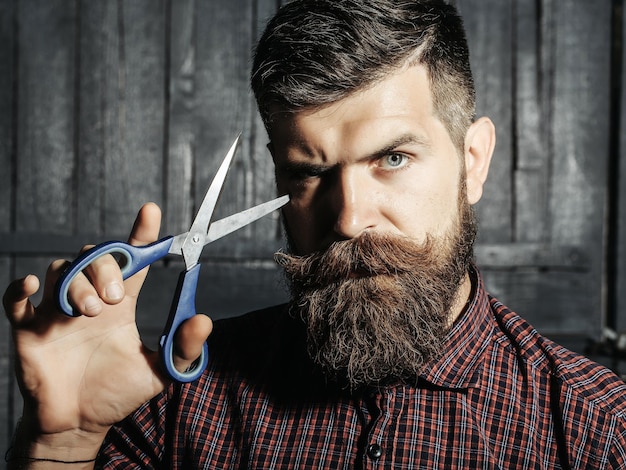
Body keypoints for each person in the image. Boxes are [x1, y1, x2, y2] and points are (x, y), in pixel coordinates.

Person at [3, 0, 626, 468]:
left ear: (474, 161)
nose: (349, 219)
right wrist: (62, 446)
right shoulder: (171, 405)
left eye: (394, 158)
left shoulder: (598, 431)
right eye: (308, 173)